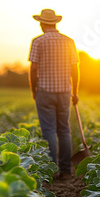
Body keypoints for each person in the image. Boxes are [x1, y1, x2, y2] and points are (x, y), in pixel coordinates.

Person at [28, 9, 80, 180]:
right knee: (64, 130)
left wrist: (34, 90)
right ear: (55, 23)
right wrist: (75, 92)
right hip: (64, 91)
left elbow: (34, 69)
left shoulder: (38, 41)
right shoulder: (69, 41)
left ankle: (51, 170)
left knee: (49, 131)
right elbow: (75, 69)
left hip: (45, 91)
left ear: (42, 24)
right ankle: (65, 170)